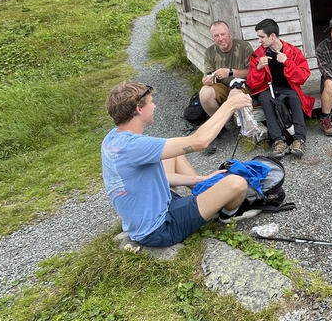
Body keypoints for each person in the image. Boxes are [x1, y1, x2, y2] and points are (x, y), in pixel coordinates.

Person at [101, 81, 255, 248]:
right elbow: (200, 142)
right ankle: (226, 215)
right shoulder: (134, 146)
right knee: (237, 183)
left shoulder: (113, 138)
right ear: (139, 109)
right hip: (160, 228)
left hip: (152, 209)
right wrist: (229, 105)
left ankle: (203, 190)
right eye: (151, 102)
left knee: (171, 152)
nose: (155, 105)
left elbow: (161, 177)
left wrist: (200, 178)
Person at [247, 18, 314, 159]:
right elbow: (252, 84)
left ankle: (299, 139)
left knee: (294, 97)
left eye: (261, 37)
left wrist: (287, 62)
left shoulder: (292, 52)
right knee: (265, 99)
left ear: (272, 36)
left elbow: (302, 76)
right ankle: (278, 141)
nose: (259, 40)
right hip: (268, 89)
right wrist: (259, 68)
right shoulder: (258, 55)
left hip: (288, 87)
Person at [199, 21, 254, 116]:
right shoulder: (210, 52)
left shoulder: (244, 47)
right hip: (223, 88)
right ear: (213, 37)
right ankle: (219, 125)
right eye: (216, 36)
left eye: (223, 34)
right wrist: (207, 80)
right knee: (204, 93)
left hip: (243, 86)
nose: (220, 38)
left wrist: (230, 72)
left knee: (234, 95)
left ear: (230, 34)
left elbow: (252, 72)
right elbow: (208, 74)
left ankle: (229, 120)